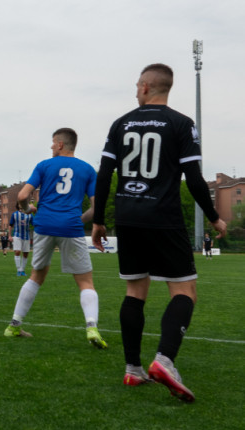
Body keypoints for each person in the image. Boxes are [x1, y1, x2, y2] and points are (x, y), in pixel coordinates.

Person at [92, 63, 227, 402]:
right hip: (163, 216)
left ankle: (133, 370)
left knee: (135, 289)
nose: (135, 90)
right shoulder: (181, 123)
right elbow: (194, 178)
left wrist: (97, 220)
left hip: (128, 216)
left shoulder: (120, 123)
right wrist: (214, 217)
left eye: (138, 85)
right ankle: (165, 359)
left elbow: (105, 173)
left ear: (150, 86)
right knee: (185, 290)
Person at [4, 128, 107, 350]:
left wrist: (28, 209)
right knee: (85, 281)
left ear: (60, 144)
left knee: (36, 277)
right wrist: (79, 219)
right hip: (71, 227)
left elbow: (22, 196)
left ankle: (14, 325)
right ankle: (91, 327)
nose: (51, 146)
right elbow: (96, 208)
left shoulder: (43, 166)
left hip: (44, 225)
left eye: (53, 143)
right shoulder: (88, 170)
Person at [9, 202, 33, 276]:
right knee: (17, 251)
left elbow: (34, 223)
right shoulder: (14, 214)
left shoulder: (30, 215)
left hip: (26, 236)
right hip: (17, 235)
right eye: (20, 203)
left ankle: (22, 270)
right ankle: (18, 270)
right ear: (18, 205)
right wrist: (9, 235)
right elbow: (10, 225)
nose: (21, 204)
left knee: (26, 254)